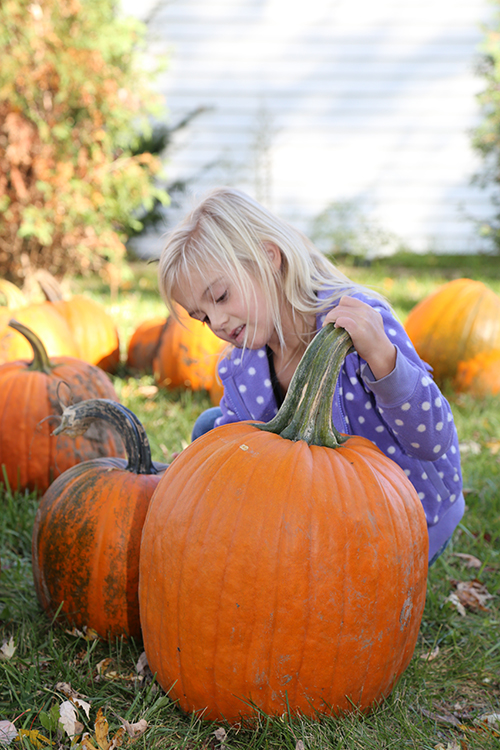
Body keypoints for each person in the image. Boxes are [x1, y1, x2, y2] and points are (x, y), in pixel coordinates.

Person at [158, 187, 464, 566]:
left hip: (404, 516)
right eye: (201, 317)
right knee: (212, 432)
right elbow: (239, 461)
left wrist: (383, 358)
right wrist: (191, 474)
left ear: (269, 258)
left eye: (220, 297)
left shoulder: (357, 327)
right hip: (321, 515)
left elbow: (432, 439)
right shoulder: (240, 366)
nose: (216, 322)